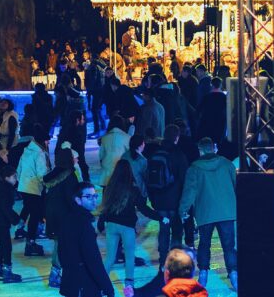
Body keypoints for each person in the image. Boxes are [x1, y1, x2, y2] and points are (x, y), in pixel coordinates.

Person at [178, 137, 237, 290]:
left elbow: (189, 192)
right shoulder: (227, 164)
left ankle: (203, 274)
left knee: (204, 244)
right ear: (213, 148)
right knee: (229, 246)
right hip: (227, 212)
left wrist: (183, 210)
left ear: (200, 150)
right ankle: (233, 275)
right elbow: (237, 186)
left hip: (205, 213)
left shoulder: (194, 168)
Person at [101, 160, 163, 297]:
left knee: (110, 258)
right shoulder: (133, 189)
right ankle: (129, 287)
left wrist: (101, 221)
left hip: (111, 225)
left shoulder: (110, 187)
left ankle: (101, 284)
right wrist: (160, 217)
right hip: (126, 226)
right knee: (129, 257)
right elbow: (143, 208)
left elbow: (105, 207)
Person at [57, 181, 113, 297]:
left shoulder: (67, 219)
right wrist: (108, 288)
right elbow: (93, 260)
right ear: (78, 200)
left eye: (95, 196)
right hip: (84, 285)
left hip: (71, 283)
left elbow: (61, 252)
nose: (93, 200)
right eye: (88, 197)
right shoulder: (84, 225)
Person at [147, 125, 190, 267]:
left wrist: (153, 199)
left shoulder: (155, 153)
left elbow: (149, 179)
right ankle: (175, 261)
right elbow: (184, 180)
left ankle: (162, 261)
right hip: (175, 200)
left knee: (163, 230)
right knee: (177, 230)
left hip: (159, 199)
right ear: (176, 137)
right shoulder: (179, 154)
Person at [44, 143, 82, 287]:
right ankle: (56, 274)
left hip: (52, 214)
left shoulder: (53, 175)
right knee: (63, 245)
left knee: (59, 244)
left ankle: (57, 273)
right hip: (64, 216)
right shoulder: (69, 175)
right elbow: (71, 197)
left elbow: (47, 196)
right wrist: (79, 213)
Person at [16, 126, 50, 255]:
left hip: (24, 186)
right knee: (35, 215)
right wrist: (48, 183)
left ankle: (22, 230)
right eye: (47, 141)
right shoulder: (39, 153)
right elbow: (42, 174)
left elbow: (19, 168)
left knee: (30, 210)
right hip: (33, 187)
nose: (48, 143)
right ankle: (30, 243)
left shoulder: (27, 150)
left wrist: (20, 182)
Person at [0, 166, 22, 284]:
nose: (16, 179)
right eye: (14, 177)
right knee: (7, 246)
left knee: (3, 245)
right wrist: (16, 219)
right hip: (0, 221)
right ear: (7, 178)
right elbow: (5, 208)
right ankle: (7, 272)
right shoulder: (6, 189)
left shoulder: (1, 187)